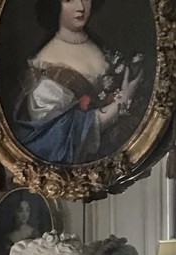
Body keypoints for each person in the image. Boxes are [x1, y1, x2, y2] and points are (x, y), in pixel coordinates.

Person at [11, 0, 144, 164]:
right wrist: (121, 103)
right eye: (69, 0)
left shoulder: (102, 48)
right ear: (54, 5)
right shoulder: (44, 62)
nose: (80, 7)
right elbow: (60, 136)